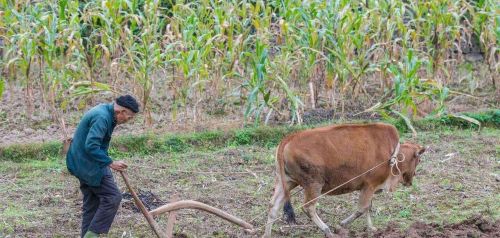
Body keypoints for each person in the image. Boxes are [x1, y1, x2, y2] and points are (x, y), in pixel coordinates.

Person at [66, 95, 139, 238]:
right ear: (122, 112)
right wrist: (110, 162)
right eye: (129, 117)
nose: (128, 121)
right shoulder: (102, 117)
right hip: (88, 165)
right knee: (112, 197)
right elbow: (92, 145)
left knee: (92, 204)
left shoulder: (106, 112)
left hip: (80, 162)